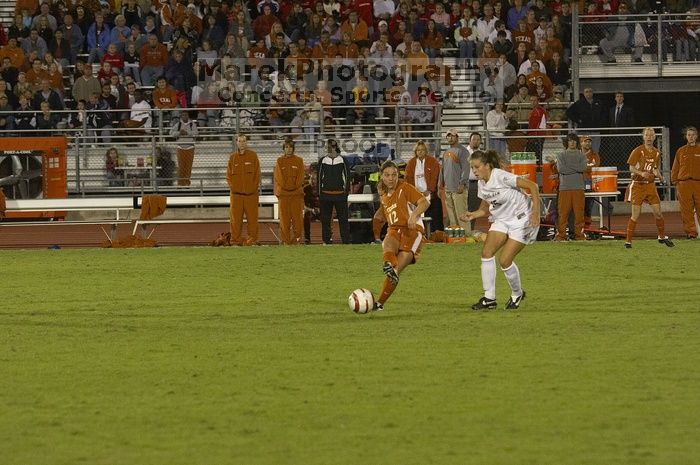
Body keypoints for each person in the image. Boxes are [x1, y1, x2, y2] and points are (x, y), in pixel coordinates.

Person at [462, 150, 540, 310]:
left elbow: (533, 186)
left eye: (476, 167)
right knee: (486, 253)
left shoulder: (500, 176)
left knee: (504, 261)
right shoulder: (481, 183)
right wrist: (473, 215)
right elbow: (485, 209)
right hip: (502, 220)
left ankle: (517, 293)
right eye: (472, 168)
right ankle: (489, 298)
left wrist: (536, 214)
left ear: (487, 166)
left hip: (522, 220)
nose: (474, 171)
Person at [370, 160, 430, 312]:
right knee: (387, 242)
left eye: (394, 175)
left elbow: (424, 202)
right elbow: (384, 211)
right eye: (387, 175)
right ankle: (388, 265)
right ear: (381, 177)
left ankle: (380, 302)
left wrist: (413, 216)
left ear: (398, 175)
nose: (391, 178)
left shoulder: (405, 188)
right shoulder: (382, 192)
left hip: (413, 231)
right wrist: (377, 222)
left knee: (396, 271)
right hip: (395, 228)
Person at [624, 127, 675, 249]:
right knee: (636, 214)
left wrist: (661, 178)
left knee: (658, 213)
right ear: (643, 137)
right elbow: (631, 168)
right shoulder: (637, 151)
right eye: (647, 135)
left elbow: (655, 168)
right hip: (637, 185)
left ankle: (661, 237)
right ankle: (628, 241)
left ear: (654, 137)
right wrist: (641, 173)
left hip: (650, 186)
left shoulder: (657, 152)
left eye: (651, 135)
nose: (649, 137)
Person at [226, 134, 261, 246]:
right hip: (236, 196)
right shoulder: (232, 158)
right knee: (235, 220)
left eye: (244, 141)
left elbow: (257, 174)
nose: (242, 143)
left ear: (246, 142)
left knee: (252, 220)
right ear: (236, 142)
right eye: (240, 141)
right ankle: (235, 240)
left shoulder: (253, 156)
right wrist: (234, 189)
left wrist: (252, 189)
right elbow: (228, 176)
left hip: (251, 195)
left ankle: (252, 240)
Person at [404, 140, 443, 233]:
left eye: (422, 150)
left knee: (434, 213)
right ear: (415, 152)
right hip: (416, 194)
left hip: (430, 194)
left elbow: (435, 176)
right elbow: (407, 178)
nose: (420, 152)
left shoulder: (432, 161)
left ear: (426, 151)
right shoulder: (411, 163)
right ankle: (419, 233)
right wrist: (412, 191)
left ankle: (436, 233)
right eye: (418, 150)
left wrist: (429, 190)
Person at [317, 138, 350, 244]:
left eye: (330, 147)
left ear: (335, 147)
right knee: (325, 219)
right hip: (325, 195)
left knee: (343, 219)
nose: (328, 149)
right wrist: (319, 193)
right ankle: (326, 240)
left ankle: (345, 240)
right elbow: (318, 178)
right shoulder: (322, 161)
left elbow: (347, 177)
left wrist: (345, 193)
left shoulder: (343, 160)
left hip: (340, 195)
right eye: (327, 147)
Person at [555, 133, 587, 241]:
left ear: (577, 142)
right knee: (563, 214)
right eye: (570, 140)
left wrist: (568, 166)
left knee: (579, 214)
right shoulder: (561, 155)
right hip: (564, 188)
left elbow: (583, 168)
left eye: (574, 140)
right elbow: (561, 169)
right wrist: (576, 168)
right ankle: (561, 236)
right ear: (566, 142)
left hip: (578, 188)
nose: (572, 142)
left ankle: (580, 236)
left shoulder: (582, 155)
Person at [273, 138, 305, 245]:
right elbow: (279, 177)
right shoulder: (279, 161)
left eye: (290, 147)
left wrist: (293, 187)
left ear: (293, 149)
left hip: (296, 195)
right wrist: (287, 188)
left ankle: (297, 240)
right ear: (283, 149)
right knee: (284, 220)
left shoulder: (299, 161)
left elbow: (300, 177)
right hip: (284, 195)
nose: (289, 149)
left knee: (297, 219)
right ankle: (285, 241)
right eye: (286, 147)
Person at [671, 126, 700, 239]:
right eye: (689, 135)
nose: (691, 137)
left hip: (698, 183)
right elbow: (675, 167)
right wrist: (675, 182)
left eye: (693, 135)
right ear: (686, 137)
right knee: (686, 210)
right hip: (684, 184)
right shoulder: (681, 151)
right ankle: (691, 233)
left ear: (696, 136)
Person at [439, 128, 470, 232]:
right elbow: (442, 170)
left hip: (458, 188)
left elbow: (466, 168)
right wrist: (441, 186)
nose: (450, 138)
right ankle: (456, 238)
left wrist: (462, 183)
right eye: (448, 136)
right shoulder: (446, 152)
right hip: (448, 188)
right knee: (452, 217)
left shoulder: (463, 151)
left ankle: (466, 236)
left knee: (462, 215)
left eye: (452, 135)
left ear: (457, 137)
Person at [169, 111, 198, 186]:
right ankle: (180, 184)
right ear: (181, 117)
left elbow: (196, 133)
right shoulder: (178, 124)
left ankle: (187, 184)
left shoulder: (192, 124)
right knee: (181, 167)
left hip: (190, 147)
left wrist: (187, 133)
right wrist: (179, 133)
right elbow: (171, 133)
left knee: (188, 167)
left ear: (188, 116)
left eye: (186, 115)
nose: (184, 116)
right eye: (183, 115)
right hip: (180, 147)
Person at [580, 135, 601, 229]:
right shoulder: (577, 154)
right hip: (578, 183)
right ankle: (579, 226)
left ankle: (587, 227)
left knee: (588, 206)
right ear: (581, 143)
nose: (588, 143)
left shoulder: (594, 155)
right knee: (579, 206)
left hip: (590, 183)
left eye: (589, 141)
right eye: (585, 141)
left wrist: (582, 167)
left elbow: (594, 168)